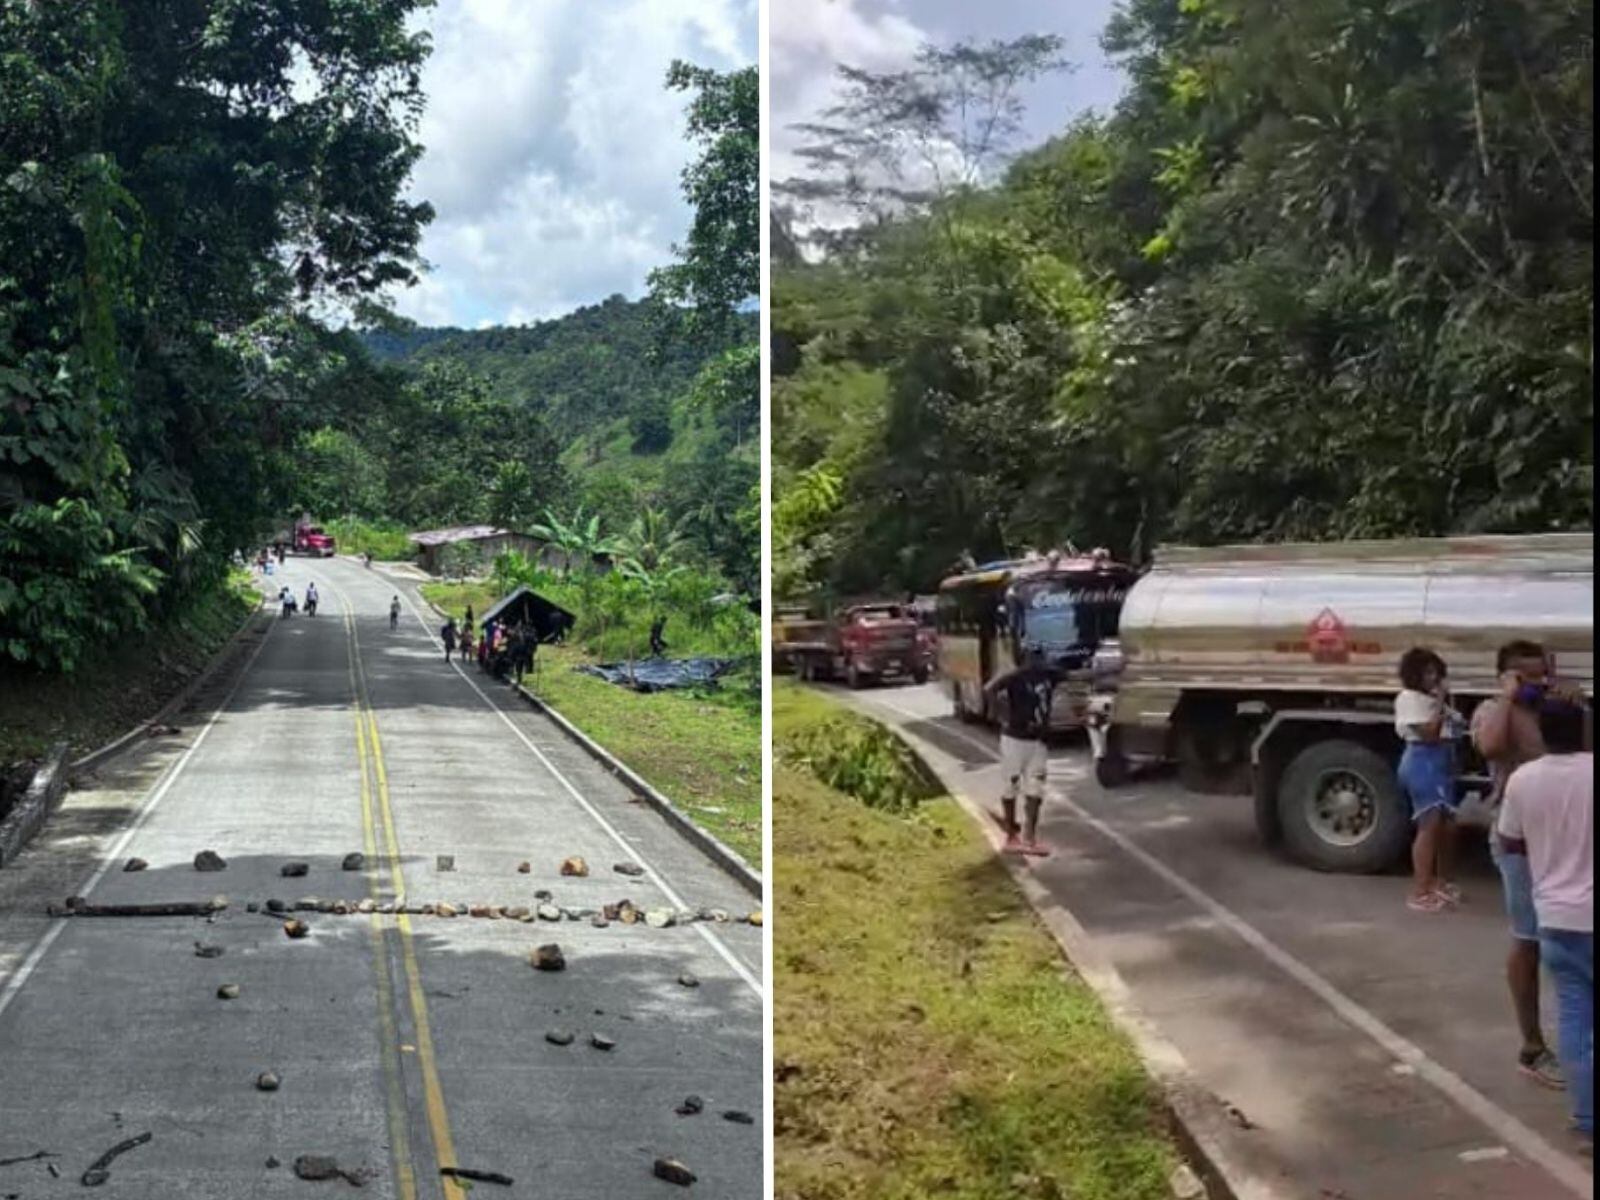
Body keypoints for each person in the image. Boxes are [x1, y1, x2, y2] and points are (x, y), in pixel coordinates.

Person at [1472, 640, 1581, 1090]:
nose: (1538, 684)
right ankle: (1532, 1046)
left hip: (1565, 830)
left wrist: (1574, 709)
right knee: (1528, 936)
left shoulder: (1553, 710)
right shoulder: (1492, 711)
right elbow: (1490, 747)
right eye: (1528, 676)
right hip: (1516, 835)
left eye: (1543, 675)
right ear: (1508, 676)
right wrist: (1508, 699)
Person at [1496, 700, 1593, 1153]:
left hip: (1555, 920)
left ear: (1540, 734)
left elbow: (1510, 843)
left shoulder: (1522, 780)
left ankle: (1588, 1119)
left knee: (1574, 1021)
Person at [1394, 648, 1464, 913]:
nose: (1434, 678)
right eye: (1428, 673)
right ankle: (1420, 890)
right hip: (1422, 762)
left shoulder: (1431, 699)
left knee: (1447, 826)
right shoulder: (1409, 699)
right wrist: (1441, 701)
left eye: (1436, 672)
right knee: (1429, 824)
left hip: (1440, 763)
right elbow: (1429, 732)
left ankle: (1440, 882)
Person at [982, 645, 1056, 857]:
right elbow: (989, 689)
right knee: (1011, 785)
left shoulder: (1049, 675)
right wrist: (998, 713)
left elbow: (1077, 674)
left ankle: (1030, 838)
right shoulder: (1016, 677)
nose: (1037, 664)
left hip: (1038, 742)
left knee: (1036, 789)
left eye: (1040, 659)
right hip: (1014, 740)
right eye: (1033, 659)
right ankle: (1011, 837)